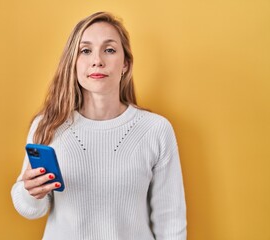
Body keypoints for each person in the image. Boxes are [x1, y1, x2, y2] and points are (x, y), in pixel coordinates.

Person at [11, 12, 187, 240]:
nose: (97, 60)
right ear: (73, 63)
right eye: (86, 50)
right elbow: (32, 210)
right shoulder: (48, 125)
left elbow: (170, 219)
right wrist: (30, 192)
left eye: (110, 50)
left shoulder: (155, 130)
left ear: (126, 64)